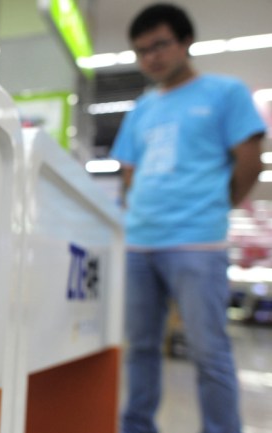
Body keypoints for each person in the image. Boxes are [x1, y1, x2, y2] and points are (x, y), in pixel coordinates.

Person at [110, 3, 266, 433]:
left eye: (159, 45)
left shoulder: (225, 92)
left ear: (185, 42)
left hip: (198, 242)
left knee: (208, 351)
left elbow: (250, 162)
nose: (151, 58)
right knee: (140, 348)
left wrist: (216, 207)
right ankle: (136, 427)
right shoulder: (141, 109)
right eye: (141, 51)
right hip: (141, 242)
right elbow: (129, 171)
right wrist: (136, 206)